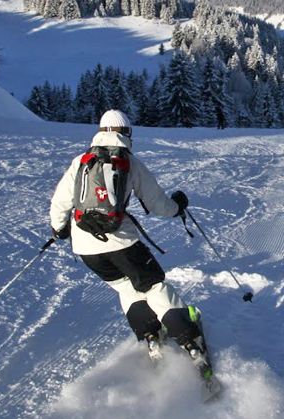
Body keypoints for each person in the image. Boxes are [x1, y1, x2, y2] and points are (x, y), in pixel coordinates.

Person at [49, 109, 210, 372]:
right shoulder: (130, 163)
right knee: (153, 286)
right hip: (121, 243)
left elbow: (60, 202)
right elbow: (159, 205)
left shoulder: (81, 161)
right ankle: (191, 343)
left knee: (126, 287)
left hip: (86, 248)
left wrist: (59, 230)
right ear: (127, 133)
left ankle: (151, 337)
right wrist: (178, 206)